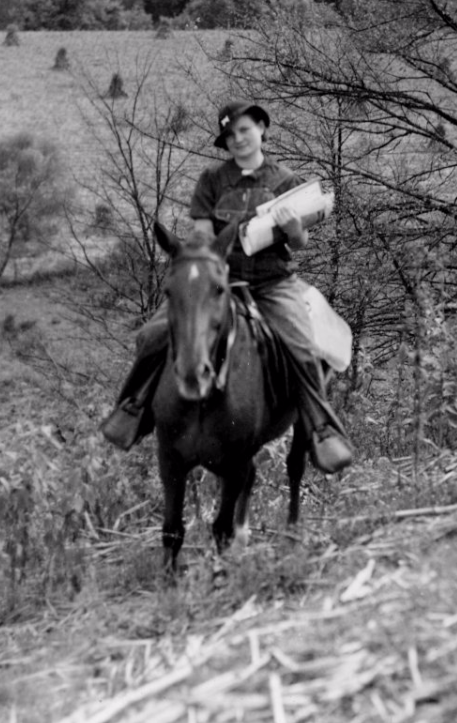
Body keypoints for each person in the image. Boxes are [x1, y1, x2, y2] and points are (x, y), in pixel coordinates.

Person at [100, 101, 355, 475]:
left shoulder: (287, 181)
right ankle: (133, 408)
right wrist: (197, 257)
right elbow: (202, 231)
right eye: (230, 135)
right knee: (153, 334)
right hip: (220, 280)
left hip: (272, 282)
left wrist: (291, 228)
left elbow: (300, 242)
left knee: (302, 345)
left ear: (261, 128)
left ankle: (321, 426)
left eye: (244, 130)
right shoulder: (212, 180)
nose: (238, 139)